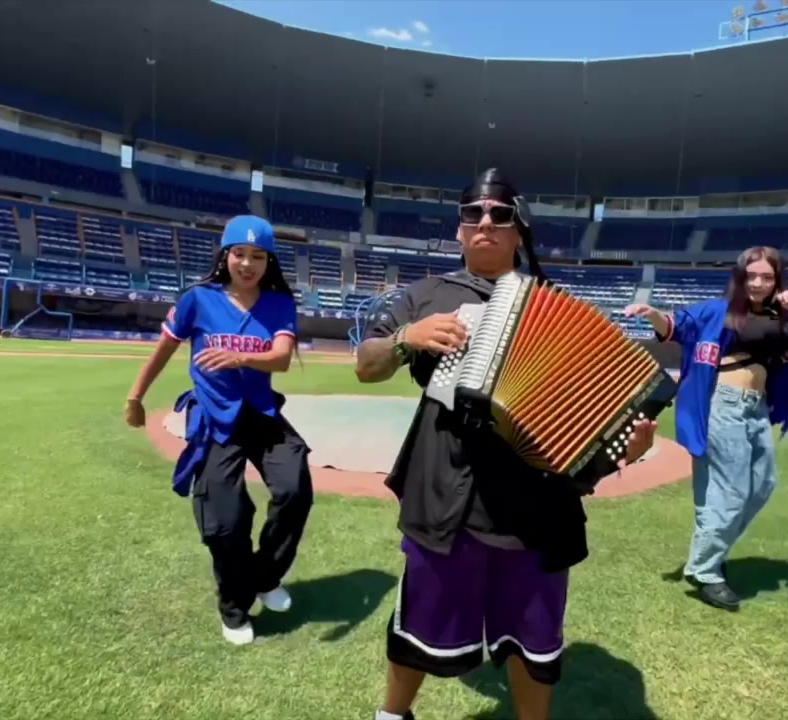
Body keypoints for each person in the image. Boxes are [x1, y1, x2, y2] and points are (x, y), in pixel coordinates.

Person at [355, 169, 657, 720]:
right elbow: (366, 365)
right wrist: (405, 338)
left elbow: (587, 422)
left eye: (500, 214)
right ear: (459, 229)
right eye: (473, 213)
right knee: (420, 621)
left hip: (535, 504)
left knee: (533, 638)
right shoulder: (426, 295)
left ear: (519, 230)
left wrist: (624, 448)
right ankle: (393, 715)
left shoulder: (557, 306)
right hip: (447, 490)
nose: (486, 223)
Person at [125, 215, 314, 645]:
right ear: (225, 255)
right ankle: (234, 610)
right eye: (239, 254)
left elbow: (282, 358)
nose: (247, 263)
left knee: (295, 489)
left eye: (258, 256)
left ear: (269, 262)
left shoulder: (279, 303)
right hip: (214, 418)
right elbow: (164, 350)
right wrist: (135, 397)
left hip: (261, 415)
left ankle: (264, 578)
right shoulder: (198, 299)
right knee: (226, 522)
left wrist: (240, 358)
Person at [624, 246, 788, 612]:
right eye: (751, 276)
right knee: (731, 491)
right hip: (723, 404)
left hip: (757, 408)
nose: (758, 283)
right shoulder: (718, 311)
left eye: (766, 277)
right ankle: (705, 570)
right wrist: (653, 315)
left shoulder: (787, 316)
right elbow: (674, 327)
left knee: (762, 485)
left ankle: (710, 553)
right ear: (740, 278)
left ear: (777, 279)